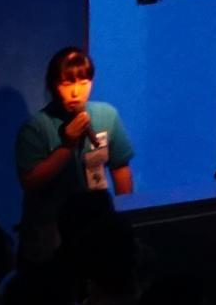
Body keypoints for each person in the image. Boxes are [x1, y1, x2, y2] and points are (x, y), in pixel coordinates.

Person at [15, 46, 135, 261]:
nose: (75, 92)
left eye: (83, 82)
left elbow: (120, 167)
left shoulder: (107, 115)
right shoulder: (36, 127)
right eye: (67, 83)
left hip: (98, 224)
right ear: (53, 85)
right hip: (50, 231)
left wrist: (125, 217)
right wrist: (67, 145)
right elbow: (30, 181)